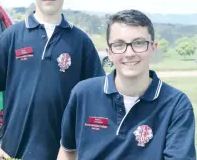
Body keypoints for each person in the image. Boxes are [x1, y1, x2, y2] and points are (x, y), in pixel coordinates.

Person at [0, 0, 105, 160]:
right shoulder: (13, 36)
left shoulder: (81, 42)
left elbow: (97, 99)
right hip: (13, 152)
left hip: (64, 154)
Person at [57, 9, 196, 160]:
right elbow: (67, 151)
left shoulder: (176, 104)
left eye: (139, 43)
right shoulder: (83, 94)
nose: (129, 53)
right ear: (109, 51)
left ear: (153, 48)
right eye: (119, 44)